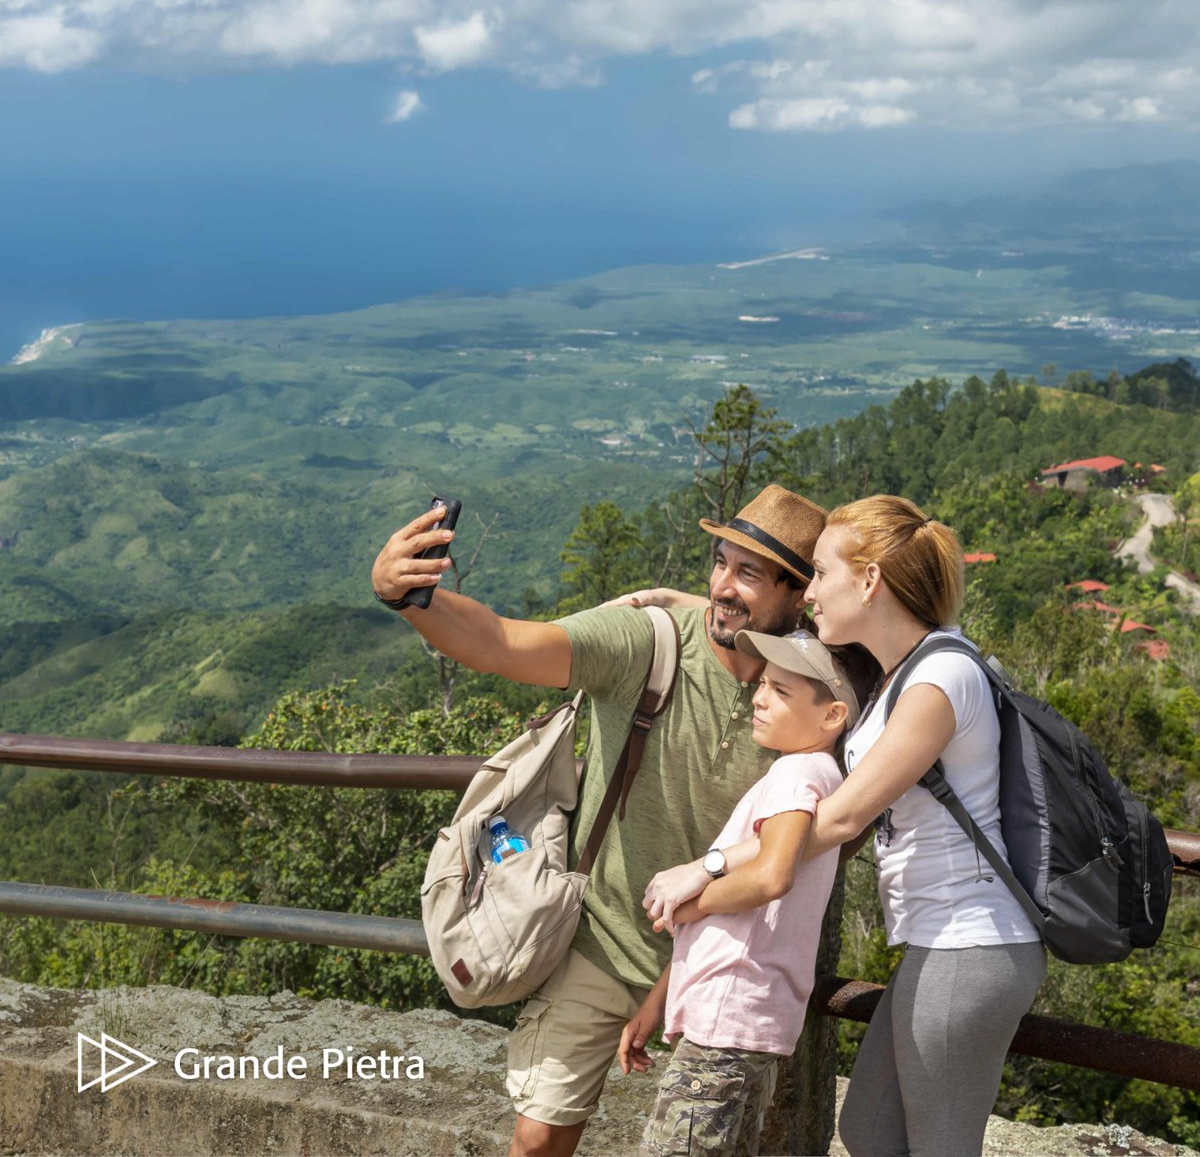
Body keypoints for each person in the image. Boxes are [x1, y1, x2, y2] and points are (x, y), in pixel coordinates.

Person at [370, 484, 829, 1157]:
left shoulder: (818, 687)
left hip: (725, 960)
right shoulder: (647, 643)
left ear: (801, 594)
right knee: (537, 1139)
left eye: (750, 574)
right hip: (605, 939)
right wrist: (410, 597)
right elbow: (502, 642)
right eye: (719, 564)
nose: (723, 587)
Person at [641, 494, 1046, 1157]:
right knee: (868, 1131)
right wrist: (677, 602)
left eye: (822, 574)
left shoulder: (939, 679)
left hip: (971, 941)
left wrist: (708, 867)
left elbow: (845, 815)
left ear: (869, 581)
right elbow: (796, 645)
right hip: (937, 941)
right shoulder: (897, 670)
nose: (810, 593)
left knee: (941, 1146)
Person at [618, 628, 859, 1157]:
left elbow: (772, 877)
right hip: (745, 1016)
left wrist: (691, 902)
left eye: (781, 691)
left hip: (727, 1016)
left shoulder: (795, 773)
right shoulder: (819, 775)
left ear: (832, 716)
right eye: (762, 684)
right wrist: (656, 1004)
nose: (759, 699)